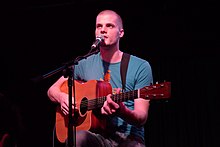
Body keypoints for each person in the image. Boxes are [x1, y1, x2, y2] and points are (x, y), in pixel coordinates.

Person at [47, 9, 153, 147]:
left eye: (109, 26)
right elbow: (52, 90)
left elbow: (141, 117)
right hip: (96, 135)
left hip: (128, 138)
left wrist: (122, 111)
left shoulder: (140, 66)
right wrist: (62, 98)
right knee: (77, 139)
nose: (103, 30)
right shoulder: (83, 64)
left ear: (121, 32)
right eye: (99, 26)